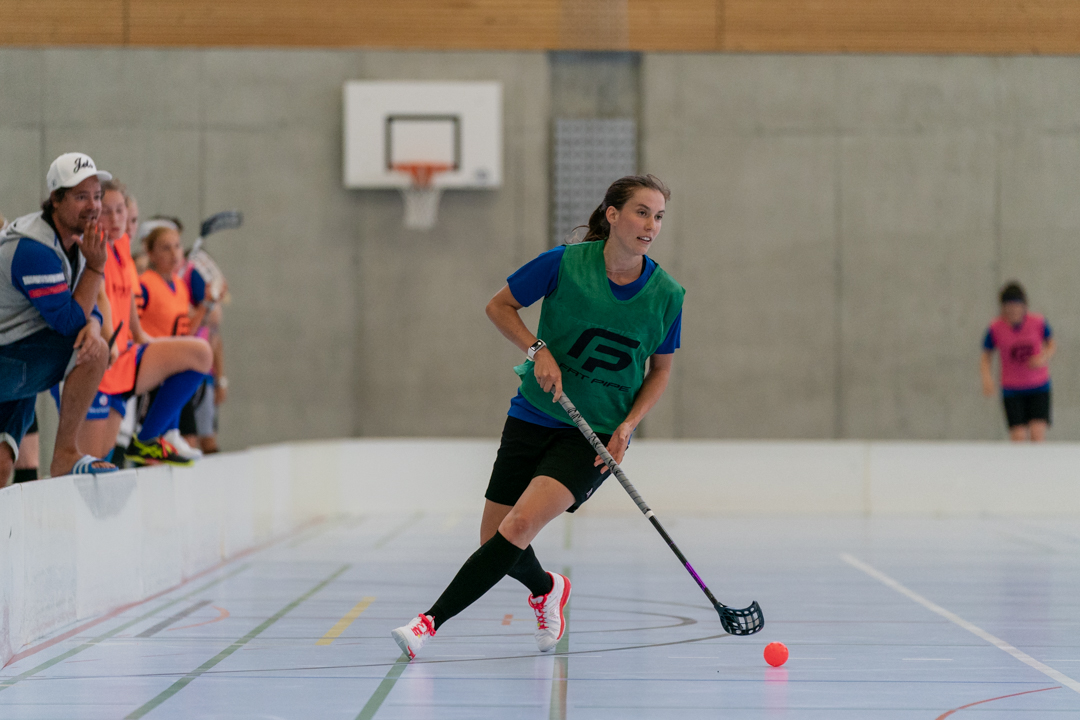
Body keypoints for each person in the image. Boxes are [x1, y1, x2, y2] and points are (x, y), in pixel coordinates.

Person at [391, 175, 684, 659]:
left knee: (520, 526)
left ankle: (428, 623)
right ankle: (548, 587)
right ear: (612, 214)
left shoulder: (668, 295)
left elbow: (661, 371)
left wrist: (628, 426)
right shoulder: (564, 263)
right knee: (495, 539)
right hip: (533, 415)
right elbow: (498, 305)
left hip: (593, 437)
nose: (650, 225)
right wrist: (536, 348)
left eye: (658, 216)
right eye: (640, 212)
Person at [0, 152, 117, 483]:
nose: (93, 206)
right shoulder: (34, 250)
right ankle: (66, 455)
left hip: (16, 352)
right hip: (11, 357)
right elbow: (67, 322)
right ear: (56, 199)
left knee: (2, 466)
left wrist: (93, 324)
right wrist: (96, 267)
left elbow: (84, 309)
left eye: (96, 196)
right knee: (95, 352)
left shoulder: (73, 242)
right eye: (81, 197)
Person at [79, 181, 212, 466]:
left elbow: (125, 302)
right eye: (108, 212)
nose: (118, 220)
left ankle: (150, 438)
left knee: (200, 353)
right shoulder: (94, 250)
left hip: (125, 357)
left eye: (123, 213)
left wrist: (141, 336)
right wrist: (110, 341)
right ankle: (157, 437)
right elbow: (99, 299)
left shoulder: (124, 249)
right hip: (100, 362)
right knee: (93, 462)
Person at [981, 281, 1055, 442]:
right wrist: (987, 377)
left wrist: (1043, 357)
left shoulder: (1038, 322)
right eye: (1008, 306)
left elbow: (1051, 343)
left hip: (1038, 385)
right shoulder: (996, 328)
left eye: (1016, 306)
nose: (1013, 310)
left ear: (1024, 306)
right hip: (1012, 387)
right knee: (1018, 436)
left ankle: (1038, 466)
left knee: (1037, 432)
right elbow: (986, 355)